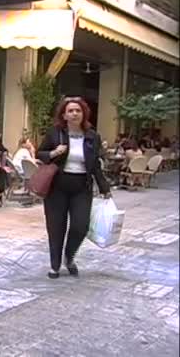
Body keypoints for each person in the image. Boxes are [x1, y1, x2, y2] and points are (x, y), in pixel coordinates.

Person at [37, 96, 111, 280]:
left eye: (78, 110)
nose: (74, 113)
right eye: (70, 110)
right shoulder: (55, 133)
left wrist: (104, 187)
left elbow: (95, 165)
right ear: (64, 114)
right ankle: (54, 266)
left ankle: (68, 257)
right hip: (57, 186)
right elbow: (40, 153)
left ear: (83, 113)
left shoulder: (92, 136)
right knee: (56, 227)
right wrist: (54, 152)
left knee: (80, 226)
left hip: (81, 187)